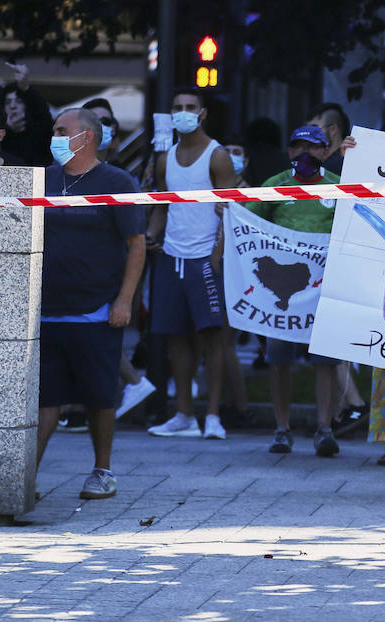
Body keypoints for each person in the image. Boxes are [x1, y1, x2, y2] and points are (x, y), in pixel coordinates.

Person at [35, 109, 146, 499]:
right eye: (54, 131)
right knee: (45, 398)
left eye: (62, 131)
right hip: (46, 310)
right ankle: (24, 477)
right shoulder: (43, 179)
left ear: (88, 138)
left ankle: (102, 471)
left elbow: (136, 244)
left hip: (97, 310)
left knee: (100, 396)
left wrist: (124, 301)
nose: (56, 137)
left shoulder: (117, 182)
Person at [146, 89, 240, 439]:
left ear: (202, 114)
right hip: (172, 256)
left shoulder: (217, 156)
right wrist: (150, 236)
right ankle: (184, 414)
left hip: (206, 258)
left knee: (213, 338)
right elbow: (162, 206)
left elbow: (228, 210)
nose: (183, 113)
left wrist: (218, 250)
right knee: (175, 338)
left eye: (189, 108)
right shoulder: (164, 159)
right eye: (177, 108)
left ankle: (213, 415)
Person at [244, 125, 343, 456]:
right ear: (288, 152)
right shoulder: (275, 185)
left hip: (323, 288)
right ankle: (282, 428)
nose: (305, 154)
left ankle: (325, 429)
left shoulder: (338, 186)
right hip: (280, 293)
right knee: (278, 359)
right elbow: (248, 222)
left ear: (325, 152)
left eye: (313, 147)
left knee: (325, 361)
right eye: (298, 146)